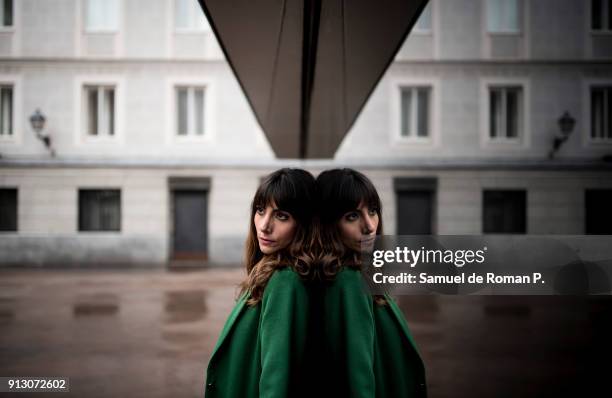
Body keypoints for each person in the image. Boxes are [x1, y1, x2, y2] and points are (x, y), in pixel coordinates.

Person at [204, 168, 317, 398]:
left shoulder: (285, 281)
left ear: (304, 224)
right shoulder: (271, 272)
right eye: (260, 210)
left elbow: (276, 378)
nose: (264, 225)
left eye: (282, 215)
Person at [315, 168, 427, 398]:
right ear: (327, 224)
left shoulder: (358, 273)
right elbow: (360, 375)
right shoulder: (349, 281)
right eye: (352, 216)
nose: (369, 226)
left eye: (373, 211)